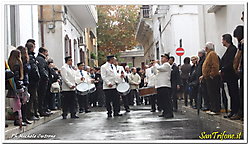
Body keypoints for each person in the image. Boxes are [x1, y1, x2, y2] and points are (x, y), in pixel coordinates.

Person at [220, 34, 240, 119]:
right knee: (231, 93)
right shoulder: (229, 49)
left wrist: (223, 69)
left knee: (234, 93)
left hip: (231, 75)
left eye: (223, 40)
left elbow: (230, 62)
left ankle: (235, 111)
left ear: (226, 40)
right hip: (228, 76)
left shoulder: (232, 49)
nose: (222, 42)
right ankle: (233, 111)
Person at [200, 42, 221, 115]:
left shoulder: (212, 54)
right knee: (210, 93)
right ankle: (212, 108)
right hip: (208, 77)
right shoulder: (208, 54)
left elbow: (215, 65)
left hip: (212, 78)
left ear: (207, 48)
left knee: (214, 93)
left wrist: (212, 74)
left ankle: (215, 109)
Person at [8, 49, 26, 126]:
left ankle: (17, 118)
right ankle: (19, 119)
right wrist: (20, 84)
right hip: (17, 85)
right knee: (19, 103)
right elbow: (17, 76)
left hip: (12, 85)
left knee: (16, 103)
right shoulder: (17, 64)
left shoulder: (10, 63)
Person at [152, 54, 173, 118]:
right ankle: (165, 111)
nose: (162, 59)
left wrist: (155, 64)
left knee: (167, 100)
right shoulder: (162, 65)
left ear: (167, 59)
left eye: (163, 58)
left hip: (165, 85)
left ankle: (169, 113)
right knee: (162, 100)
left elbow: (159, 68)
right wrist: (154, 66)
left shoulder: (167, 65)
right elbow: (156, 72)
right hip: (160, 85)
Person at [17, 46, 32, 125]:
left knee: (23, 101)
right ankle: (23, 118)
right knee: (23, 101)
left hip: (24, 82)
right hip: (23, 82)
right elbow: (27, 69)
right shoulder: (22, 62)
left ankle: (24, 117)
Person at [26, 42, 40, 121]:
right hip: (32, 81)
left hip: (31, 80)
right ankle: (31, 113)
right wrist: (37, 77)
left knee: (33, 97)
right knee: (32, 97)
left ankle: (34, 112)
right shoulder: (31, 57)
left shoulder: (30, 56)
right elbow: (34, 69)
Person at [233, 25, 244, 120]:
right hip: (242, 69)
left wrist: (236, 67)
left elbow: (238, 56)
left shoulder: (242, 43)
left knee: (242, 93)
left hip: (243, 70)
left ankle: (242, 113)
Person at [36, 47, 51, 117]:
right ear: (44, 52)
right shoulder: (41, 59)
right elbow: (42, 70)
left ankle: (44, 109)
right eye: (46, 52)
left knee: (43, 96)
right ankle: (41, 110)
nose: (47, 54)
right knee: (41, 96)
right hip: (42, 81)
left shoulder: (41, 59)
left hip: (43, 81)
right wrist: (46, 77)